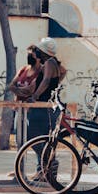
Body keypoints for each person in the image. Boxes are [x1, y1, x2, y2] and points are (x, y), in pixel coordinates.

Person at [27, 37, 66, 178]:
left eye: (37, 49)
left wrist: (35, 96)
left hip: (43, 106)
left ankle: (49, 165)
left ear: (43, 51)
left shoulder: (49, 62)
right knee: (45, 139)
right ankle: (46, 170)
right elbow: (63, 72)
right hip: (48, 106)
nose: (35, 51)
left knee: (31, 137)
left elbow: (47, 80)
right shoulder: (54, 63)